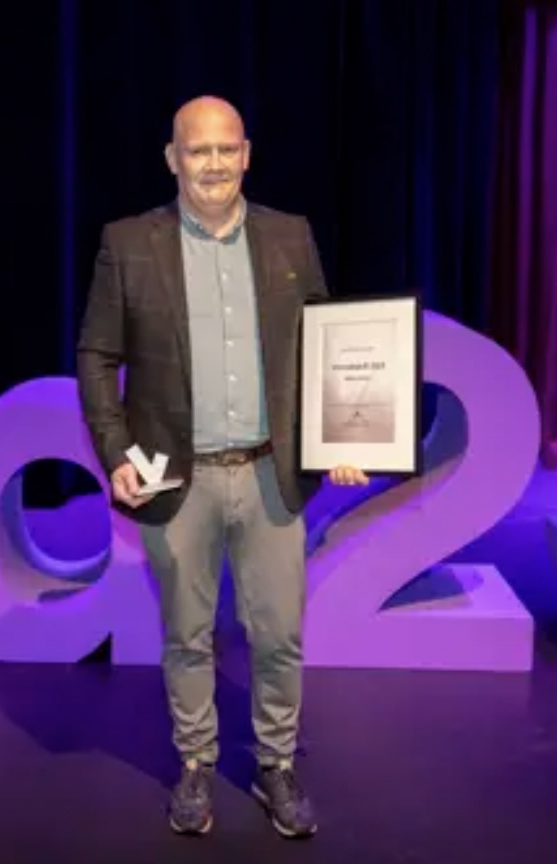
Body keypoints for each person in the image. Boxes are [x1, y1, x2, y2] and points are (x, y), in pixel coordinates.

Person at [75, 94, 367, 838]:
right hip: (179, 479)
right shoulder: (128, 243)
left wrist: (342, 437)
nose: (213, 163)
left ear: (247, 155)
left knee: (279, 635)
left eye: (226, 149)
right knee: (186, 635)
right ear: (173, 159)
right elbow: (97, 355)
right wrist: (114, 452)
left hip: (271, 475)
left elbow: (325, 346)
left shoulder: (290, 236)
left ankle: (276, 764)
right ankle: (196, 762)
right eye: (198, 150)